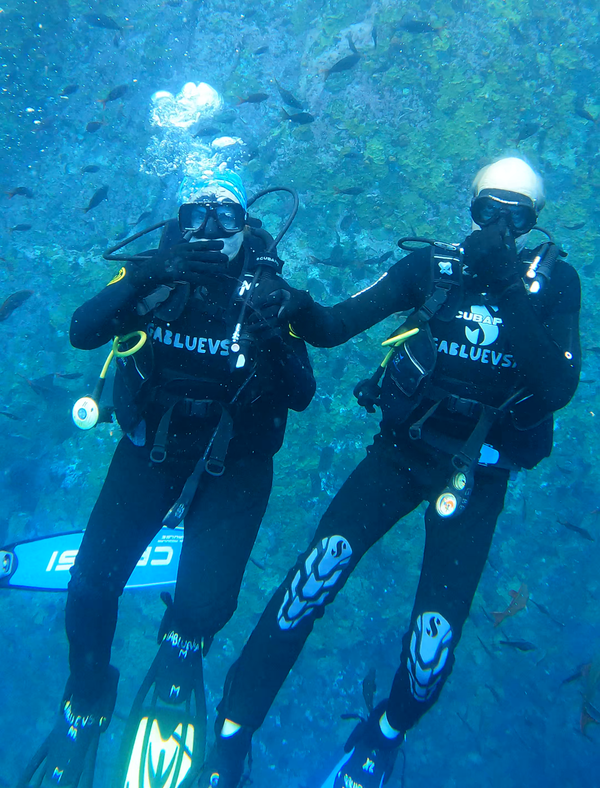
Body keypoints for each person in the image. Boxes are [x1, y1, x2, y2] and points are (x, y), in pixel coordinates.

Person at [198, 157, 581, 788]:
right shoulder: (431, 269)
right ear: (471, 210)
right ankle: (235, 732)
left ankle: (384, 732)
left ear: (532, 223)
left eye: (513, 218)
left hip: (476, 476)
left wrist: (510, 288)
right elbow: (335, 325)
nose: (497, 231)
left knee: (431, 648)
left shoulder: (555, 283)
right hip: (399, 455)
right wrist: (292, 304)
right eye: (487, 212)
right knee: (311, 580)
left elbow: (556, 386)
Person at [20, 170, 315, 787]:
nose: (210, 230)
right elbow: (83, 331)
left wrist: (275, 331)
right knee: (89, 589)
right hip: (149, 450)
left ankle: (181, 652)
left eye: (226, 217)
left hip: (235, 462)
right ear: (179, 221)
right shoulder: (153, 273)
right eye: (196, 215)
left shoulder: (265, 287)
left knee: (207, 607)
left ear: (247, 225)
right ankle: (87, 695)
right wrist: (153, 272)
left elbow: (303, 393)